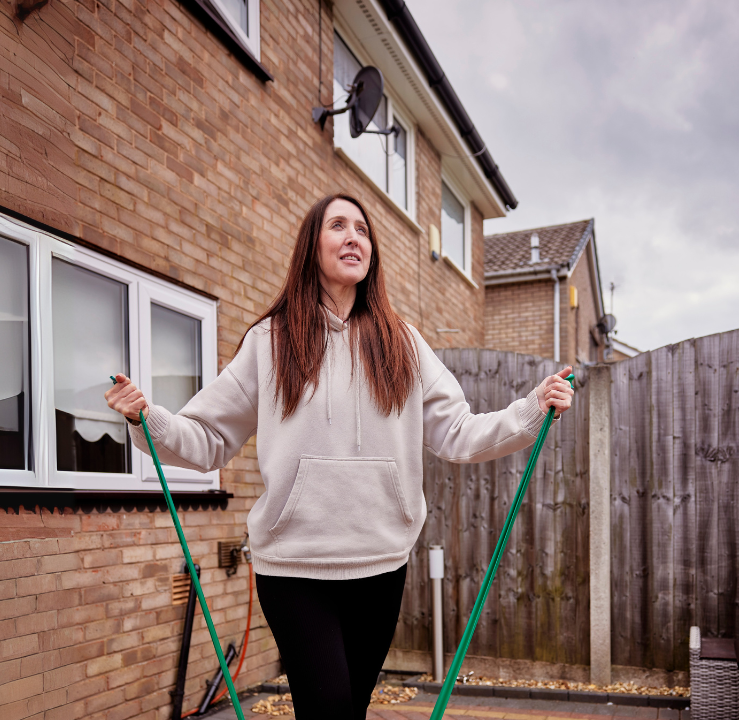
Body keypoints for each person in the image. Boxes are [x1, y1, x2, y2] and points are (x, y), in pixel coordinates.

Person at [105, 193, 574, 719]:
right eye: (338, 226)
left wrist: (532, 410)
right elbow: (209, 437)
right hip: (295, 569)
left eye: (363, 230)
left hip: (381, 563)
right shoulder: (271, 341)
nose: (354, 237)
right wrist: (147, 419)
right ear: (313, 246)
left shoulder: (404, 344)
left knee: (349, 709)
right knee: (327, 709)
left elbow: (459, 434)